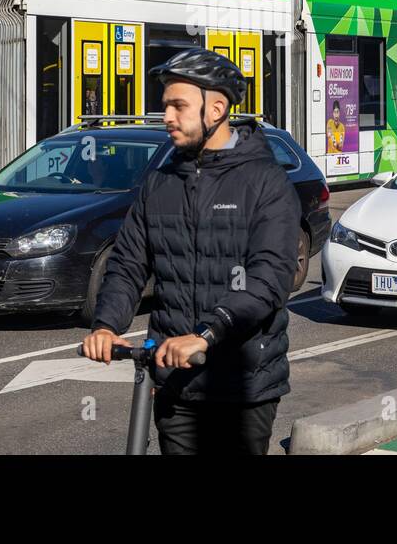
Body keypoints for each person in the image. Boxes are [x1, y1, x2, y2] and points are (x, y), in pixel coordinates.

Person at [81, 48, 300, 455]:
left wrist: (207, 334)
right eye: (165, 106)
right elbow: (128, 262)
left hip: (244, 383)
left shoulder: (266, 183)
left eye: (178, 106)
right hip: (174, 379)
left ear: (216, 109)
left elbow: (269, 279)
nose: (167, 116)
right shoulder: (160, 183)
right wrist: (106, 324)